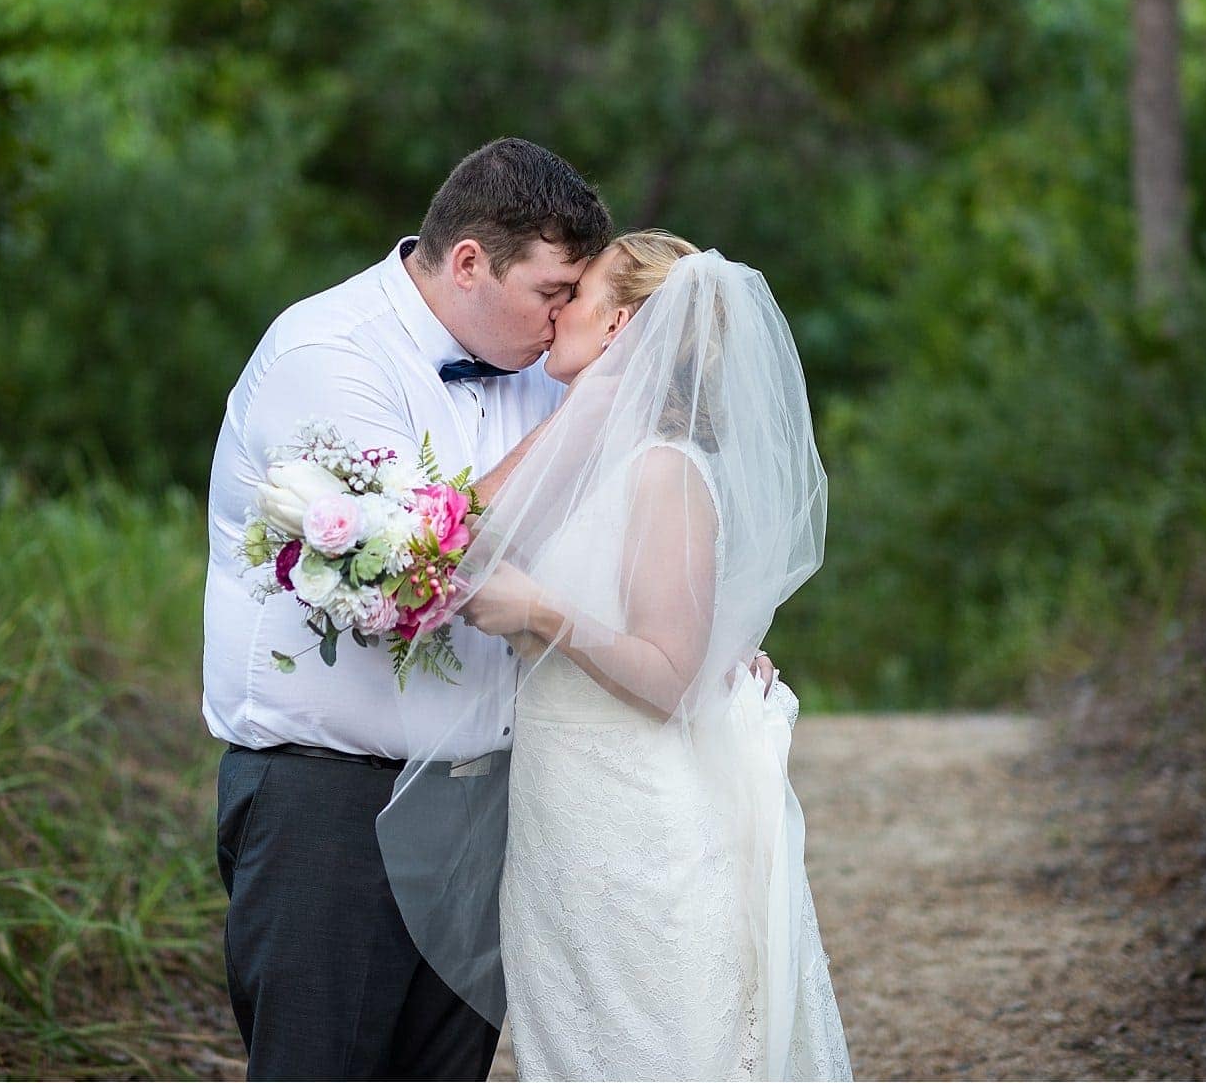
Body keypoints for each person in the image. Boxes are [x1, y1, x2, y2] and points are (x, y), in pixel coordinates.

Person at [388, 230, 853, 1080]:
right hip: (561, 815)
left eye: (578, 295)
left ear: (619, 327)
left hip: (637, 819)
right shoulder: (589, 462)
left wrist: (540, 610)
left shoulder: (662, 468)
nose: (556, 309)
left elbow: (669, 675)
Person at [202, 137, 613, 1080]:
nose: (561, 325)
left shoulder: (538, 374)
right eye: (553, 293)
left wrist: (706, 647)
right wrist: (583, 422)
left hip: (483, 805)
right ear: (470, 262)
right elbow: (414, 569)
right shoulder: (328, 353)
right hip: (330, 803)